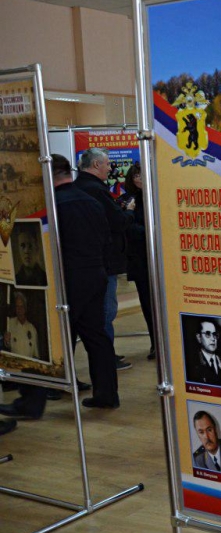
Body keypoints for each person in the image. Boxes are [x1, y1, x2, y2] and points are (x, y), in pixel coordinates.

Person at [0, 155, 119, 416]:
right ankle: (107, 394)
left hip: (66, 278)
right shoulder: (91, 200)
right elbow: (107, 237)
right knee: (96, 336)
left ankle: (31, 404)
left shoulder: (51, 206)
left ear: (47, 174)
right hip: (95, 274)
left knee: (48, 337)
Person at [75, 148, 134, 372]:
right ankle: (106, 357)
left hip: (86, 262)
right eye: (108, 164)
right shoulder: (97, 190)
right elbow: (117, 222)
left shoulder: (78, 187)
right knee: (106, 312)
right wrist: (129, 211)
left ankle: (104, 356)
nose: (110, 168)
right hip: (104, 262)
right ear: (96, 165)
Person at [123, 164, 155, 360]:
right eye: (136, 175)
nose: (140, 178)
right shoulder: (128, 200)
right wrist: (150, 231)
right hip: (140, 259)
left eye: (143, 174)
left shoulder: (158, 195)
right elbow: (128, 228)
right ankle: (154, 343)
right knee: (147, 304)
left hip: (160, 260)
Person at [185, 319, 221, 387]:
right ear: (199, 337)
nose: (213, 339)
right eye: (208, 334)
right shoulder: (191, 366)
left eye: (214, 334)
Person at [3, 291, 39, 359]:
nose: (19, 309)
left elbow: (36, 355)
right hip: (14, 363)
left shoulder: (32, 329)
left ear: (25, 308)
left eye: (21, 306)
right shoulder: (10, 323)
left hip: (28, 364)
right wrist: (6, 341)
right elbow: (7, 345)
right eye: (17, 306)